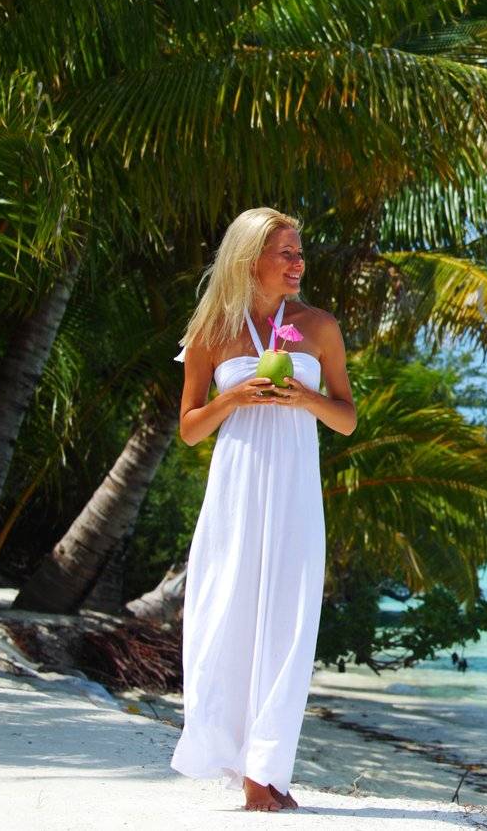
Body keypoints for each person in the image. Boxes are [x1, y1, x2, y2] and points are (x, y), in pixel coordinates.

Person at [168, 208, 357, 812]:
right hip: (236, 491)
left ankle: (267, 770)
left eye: (301, 253)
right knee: (226, 615)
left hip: (296, 491)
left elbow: (347, 419)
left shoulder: (319, 325)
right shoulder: (211, 332)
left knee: (290, 622)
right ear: (250, 259)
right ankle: (238, 761)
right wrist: (234, 396)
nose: (299, 263)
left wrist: (304, 396)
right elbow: (191, 430)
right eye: (286, 253)